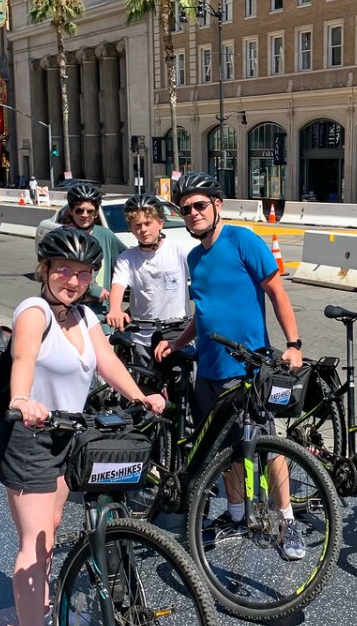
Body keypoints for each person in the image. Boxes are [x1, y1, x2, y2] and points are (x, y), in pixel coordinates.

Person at [0, 227, 165, 626]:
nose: (73, 280)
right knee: (37, 544)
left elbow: (107, 361)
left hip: (69, 435)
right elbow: (23, 360)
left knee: (51, 530)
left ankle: (47, 611)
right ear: (45, 270)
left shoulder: (85, 315)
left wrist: (140, 395)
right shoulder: (33, 312)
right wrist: (21, 400)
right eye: (64, 270)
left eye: (83, 273)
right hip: (31, 436)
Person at [154, 171, 307, 560]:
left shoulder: (242, 240)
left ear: (217, 205)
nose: (193, 214)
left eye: (200, 205)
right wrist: (179, 342)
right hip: (210, 369)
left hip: (249, 368)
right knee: (222, 448)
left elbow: (276, 292)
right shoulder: (194, 257)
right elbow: (203, 312)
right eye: (185, 209)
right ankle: (236, 513)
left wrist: (293, 345)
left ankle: (287, 519)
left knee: (269, 447)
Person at [106, 194, 193, 360]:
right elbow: (118, 284)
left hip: (178, 334)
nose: (143, 229)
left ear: (160, 223)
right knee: (143, 384)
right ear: (131, 229)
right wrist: (115, 308)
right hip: (143, 337)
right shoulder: (127, 258)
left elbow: (203, 279)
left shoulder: (179, 250)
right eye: (137, 225)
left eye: (148, 223)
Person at [60, 182, 124, 325]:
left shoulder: (106, 236)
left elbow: (125, 263)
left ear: (96, 213)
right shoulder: (60, 237)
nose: (85, 215)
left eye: (90, 211)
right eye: (79, 210)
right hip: (67, 312)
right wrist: (93, 290)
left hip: (99, 315)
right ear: (70, 211)